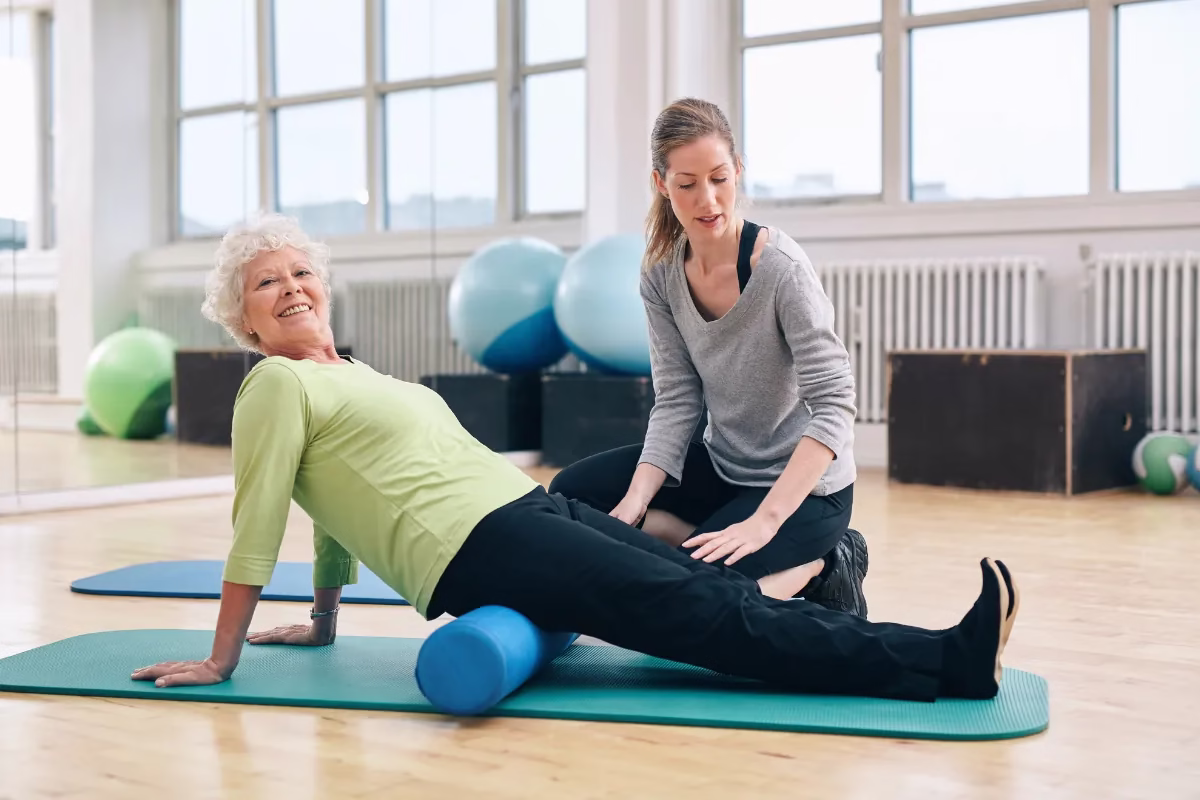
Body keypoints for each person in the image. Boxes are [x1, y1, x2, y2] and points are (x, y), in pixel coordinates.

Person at [131, 213, 1020, 704]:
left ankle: (896, 630)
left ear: (323, 286)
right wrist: (224, 655)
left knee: (712, 594)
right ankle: (945, 659)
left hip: (524, 510)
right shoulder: (275, 387)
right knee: (695, 612)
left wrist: (326, 617)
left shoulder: (350, 373)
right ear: (243, 320)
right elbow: (263, 512)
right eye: (266, 282)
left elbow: (330, 508)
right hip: (482, 545)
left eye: (300, 272)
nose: (290, 288)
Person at [548, 97, 867, 614]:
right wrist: (634, 502)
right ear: (661, 184)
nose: (708, 199)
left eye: (719, 178)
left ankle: (827, 564)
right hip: (725, 469)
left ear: (738, 171)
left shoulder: (781, 268)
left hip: (807, 492)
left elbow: (834, 404)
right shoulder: (661, 277)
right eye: (687, 183)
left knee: (696, 599)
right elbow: (676, 400)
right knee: (572, 500)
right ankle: (704, 538)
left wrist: (765, 521)